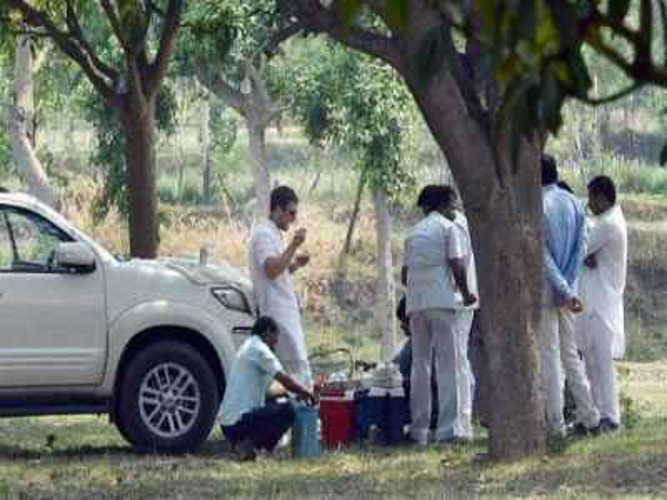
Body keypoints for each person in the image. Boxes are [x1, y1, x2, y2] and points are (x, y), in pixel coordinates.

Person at [402, 185, 477, 446]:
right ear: (444, 205)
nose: (455, 208)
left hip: (415, 303)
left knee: (419, 365)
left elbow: (404, 274)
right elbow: (457, 264)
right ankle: (447, 429)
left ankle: (419, 430)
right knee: (448, 364)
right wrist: (467, 293)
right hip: (441, 301)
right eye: (453, 204)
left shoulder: (413, 233)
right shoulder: (448, 228)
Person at [540, 155, 600, 438]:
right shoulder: (574, 203)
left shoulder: (536, 205)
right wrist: (569, 288)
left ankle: (555, 425)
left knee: (550, 355)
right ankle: (589, 416)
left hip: (546, 289)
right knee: (569, 355)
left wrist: (561, 288)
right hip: (567, 290)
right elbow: (581, 249)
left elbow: (542, 256)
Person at [219, 316, 316, 461]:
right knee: (288, 411)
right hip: (238, 423)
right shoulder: (260, 350)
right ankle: (247, 446)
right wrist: (306, 392)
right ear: (267, 332)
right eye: (274, 338)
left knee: (280, 403)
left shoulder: (248, 347)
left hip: (229, 424)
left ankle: (243, 445)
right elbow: (285, 381)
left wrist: (294, 395)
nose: (275, 344)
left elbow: (271, 391)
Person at [576, 175, 627, 433]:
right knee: (592, 362)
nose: (589, 204)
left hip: (601, 303)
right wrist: (587, 256)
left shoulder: (608, 223)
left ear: (601, 197)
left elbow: (580, 249)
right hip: (596, 301)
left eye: (591, 198)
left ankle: (610, 416)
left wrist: (586, 254)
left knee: (601, 363)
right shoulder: (607, 221)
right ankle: (597, 414)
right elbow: (586, 255)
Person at [249, 186, 312, 387]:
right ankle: (304, 415)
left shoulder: (275, 233)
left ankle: (299, 412)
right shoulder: (263, 234)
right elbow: (270, 270)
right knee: (298, 371)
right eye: (291, 213)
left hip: (285, 309)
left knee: (297, 369)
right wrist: (294, 245)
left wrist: (295, 265)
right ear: (277, 209)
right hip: (277, 312)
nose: (293, 218)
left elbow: (278, 273)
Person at [393, 296, 438, 430]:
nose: (401, 326)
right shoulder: (440, 338)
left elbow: (397, 372)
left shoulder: (417, 344)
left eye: (404, 321)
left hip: (431, 411)